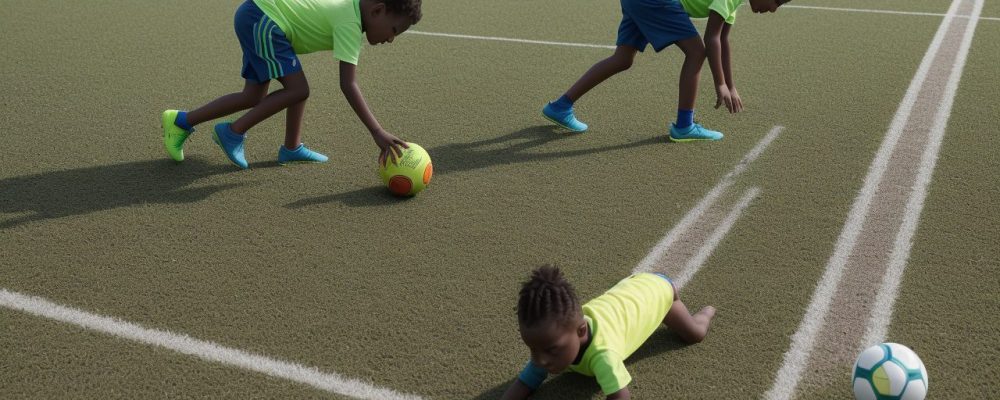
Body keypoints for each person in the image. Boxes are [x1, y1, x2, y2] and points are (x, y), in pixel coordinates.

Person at [161, 0, 421, 169]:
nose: (391, 39)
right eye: (395, 30)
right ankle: (232, 133)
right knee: (298, 89)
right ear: (377, 10)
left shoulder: (352, 8)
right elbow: (348, 84)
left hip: (258, 17)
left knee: (253, 95)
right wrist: (377, 131)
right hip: (264, 20)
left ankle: (180, 121)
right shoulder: (351, 24)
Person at [541, 0, 790, 142]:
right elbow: (711, 38)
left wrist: (731, 85)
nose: (774, 9)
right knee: (696, 52)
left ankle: (560, 106)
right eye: (776, 1)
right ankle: (684, 126)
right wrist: (720, 84)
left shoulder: (733, 5)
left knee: (623, 58)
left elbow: (723, 41)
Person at [501, 266, 716, 399]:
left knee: (694, 334)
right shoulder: (552, 343)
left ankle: (705, 314)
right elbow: (525, 382)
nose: (540, 360)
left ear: (581, 330)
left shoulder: (603, 354)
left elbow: (620, 396)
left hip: (659, 290)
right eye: (532, 350)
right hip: (632, 284)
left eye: (550, 350)